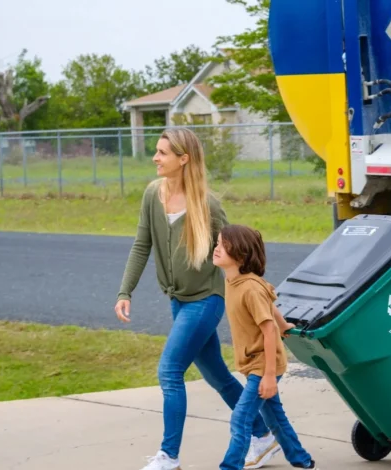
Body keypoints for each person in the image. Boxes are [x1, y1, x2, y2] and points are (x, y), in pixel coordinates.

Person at [114, 128, 281, 470]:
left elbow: (240, 249)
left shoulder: (207, 204)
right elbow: (141, 244)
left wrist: (256, 296)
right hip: (178, 300)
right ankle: (263, 435)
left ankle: (169, 456)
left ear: (183, 159)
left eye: (162, 153)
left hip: (206, 299)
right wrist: (124, 290)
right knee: (218, 376)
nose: (155, 158)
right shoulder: (152, 195)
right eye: (157, 151)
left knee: (170, 371)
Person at [212, 224, 319, 470]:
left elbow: (267, 329)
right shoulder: (233, 280)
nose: (216, 249)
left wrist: (269, 375)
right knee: (274, 417)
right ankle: (302, 461)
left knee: (241, 419)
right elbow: (270, 309)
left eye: (222, 245)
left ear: (240, 255)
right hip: (253, 363)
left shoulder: (250, 288)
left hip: (263, 365)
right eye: (217, 243)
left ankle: (229, 466)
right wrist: (283, 325)